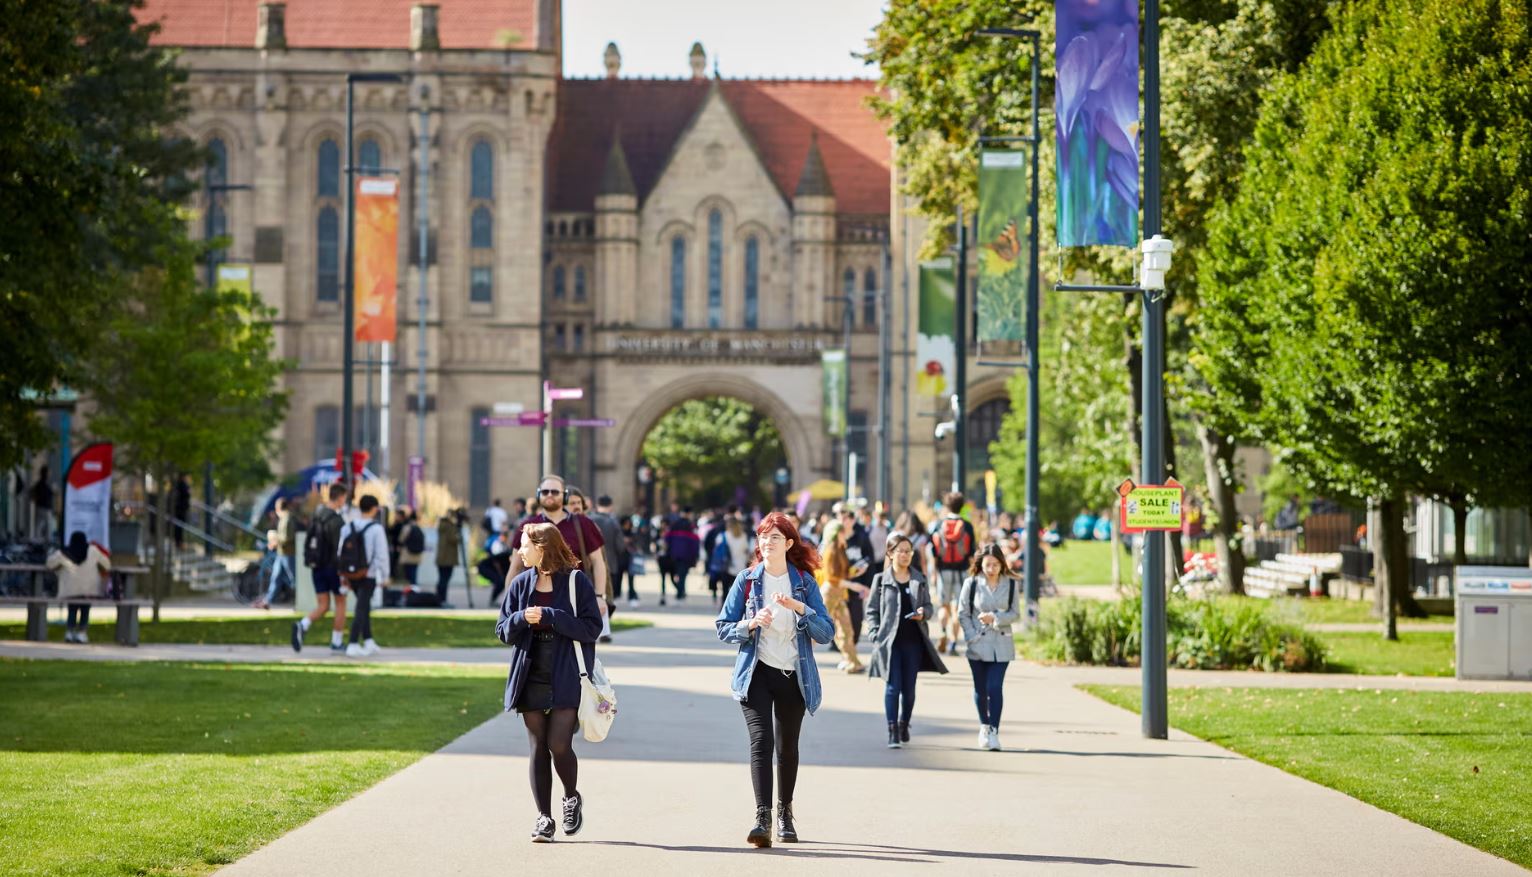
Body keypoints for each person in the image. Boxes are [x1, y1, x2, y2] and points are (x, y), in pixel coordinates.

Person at [715, 511, 835, 848]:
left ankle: (785, 813)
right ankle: (762, 817)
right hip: (756, 673)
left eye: (775, 537)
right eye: (763, 537)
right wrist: (751, 623)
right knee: (761, 744)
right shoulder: (748, 580)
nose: (767, 543)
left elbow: (826, 632)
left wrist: (801, 609)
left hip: (794, 675)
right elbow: (723, 626)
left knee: (787, 748)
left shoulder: (805, 583)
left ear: (789, 543)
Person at [495, 522, 602, 843]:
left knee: (559, 744)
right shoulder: (519, 584)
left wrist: (552, 616)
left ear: (542, 547)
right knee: (538, 747)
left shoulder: (576, 582)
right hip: (530, 673)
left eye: (525, 546)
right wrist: (520, 618)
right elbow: (502, 630)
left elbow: (591, 628)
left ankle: (570, 796)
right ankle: (544, 817)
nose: (520, 551)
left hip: (566, 671)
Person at [866, 532, 947, 748]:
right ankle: (892, 729)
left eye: (908, 551)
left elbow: (930, 606)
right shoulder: (881, 580)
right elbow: (872, 610)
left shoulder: (918, 579)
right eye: (900, 551)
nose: (904, 555)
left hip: (914, 642)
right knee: (893, 687)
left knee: (909, 690)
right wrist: (874, 633)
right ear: (890, 554)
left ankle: (904, 723)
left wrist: (924, 612)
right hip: (890, 643)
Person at [507, 476, 609, 626]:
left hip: (573, 598)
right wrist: (509, 600)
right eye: (545, 491)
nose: (549, 495)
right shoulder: (527, 526)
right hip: (534, 599)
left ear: (565, 495)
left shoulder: (583, 524)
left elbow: (598, 562)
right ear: (538, 495)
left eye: (555, 492)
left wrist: (599, 596)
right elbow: (515, 566)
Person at [958, 544, 1020, 752]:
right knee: (981, 688)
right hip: (978, 642)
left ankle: (994, 730)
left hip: (1002, 642)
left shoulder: (1010, 585)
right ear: (980, 565)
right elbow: (962, 613)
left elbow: (1015, 613)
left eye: (995, 564)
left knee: (995, 687)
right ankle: (984, 725)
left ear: (1002, 564)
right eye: (987, 565)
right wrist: (970, 636)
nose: (991, 569)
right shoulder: (972, 584)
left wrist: (996, 618)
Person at [293, 483, 350, 654]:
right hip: (333, 567)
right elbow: (339, 548)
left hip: (316, 566)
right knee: (340, 602)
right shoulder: (336, 521)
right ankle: (336, 641)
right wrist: (344, 571)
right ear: (340, 497)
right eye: (344, 498)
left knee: (323, 605)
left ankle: (303, 624)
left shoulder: (316, 515)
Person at [338, 494, 389, 657]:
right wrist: (385, 575)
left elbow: (340, 552)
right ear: (374, 509)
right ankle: (353, 643)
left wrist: (342, 574)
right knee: (362, 607)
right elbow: (382, 555)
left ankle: (368, 640)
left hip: (351, 574)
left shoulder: (348, 527)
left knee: (364, 606)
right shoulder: (376, 529)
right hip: (368, 573)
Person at [930, 492, 978, 655]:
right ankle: (953, 643)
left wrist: (934, 573)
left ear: (946, 506)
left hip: (944, 571)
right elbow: (972, 552)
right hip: (962, 570)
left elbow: (934, 552)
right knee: (958, 607)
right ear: (962, 506)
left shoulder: (938, 524)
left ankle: (943, 632)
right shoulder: (967, 526)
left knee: (944, 605)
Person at [46, 531, 109, 643]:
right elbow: (107, 565)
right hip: (89, 589)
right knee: (85, 609)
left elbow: (49, 564)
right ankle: (82, 632)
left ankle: (69, 632)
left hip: (70, 589)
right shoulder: (93, 550)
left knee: (72, 608)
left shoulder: (64, 552)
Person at [817, 523, 863, 673]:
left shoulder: (841, 550)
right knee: (817, 628)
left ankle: (852, 661)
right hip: (830, 593)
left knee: (846, 629)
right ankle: (797, 658)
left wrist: (854, 572)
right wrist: (851, 585)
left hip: (839, 593)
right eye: (843, 531)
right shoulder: (830, 550)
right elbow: (831, 577)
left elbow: (840, 574)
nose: (846, 534)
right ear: (837, 534)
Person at [588, 495, 625, 641]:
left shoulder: (589, 521)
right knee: (606, 598)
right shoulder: (613, 523)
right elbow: (620, 546)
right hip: (610, 565)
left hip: (590, 565)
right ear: (610, 505)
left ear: (597, 505)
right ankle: (604, 630)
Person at [254, 498, 296, 609]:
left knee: (293, 578)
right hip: (282, 553)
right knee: (276, 577)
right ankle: (268, 601)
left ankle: (299, 599)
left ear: (278, 508)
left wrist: (275, 540)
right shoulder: (284, 519)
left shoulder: (287, 519)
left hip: (288, 553)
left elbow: (288, 537)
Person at [663, 514, 701, 600]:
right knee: (683, 575)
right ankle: (681, 591)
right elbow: (695, 547)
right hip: (686, 557)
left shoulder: (672, 533)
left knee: (675, 575)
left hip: (674, 556)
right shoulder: (691, 535)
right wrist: (695, 557)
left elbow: (666, 542)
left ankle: (680, 591)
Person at [436, 508, 464, 606]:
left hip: (442, 558)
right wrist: (458, 529)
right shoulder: (449, 526)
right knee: (444, 580)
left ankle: (440, 599)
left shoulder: (442, 525)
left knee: (442, 579)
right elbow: (453, 539)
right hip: (447, 559)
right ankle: (442, 600)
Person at [398, 508, 425, 586]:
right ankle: (414, 588)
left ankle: (411, 590)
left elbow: (401, 539)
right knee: (414, 573)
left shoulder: (407, 527)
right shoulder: (419, 528)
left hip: (408, 554)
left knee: (409, 575)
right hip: (417, 555)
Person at [173, 473, 192, 548]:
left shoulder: (179, 485)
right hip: (180, 509)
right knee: (179, 526)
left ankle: (179, 542)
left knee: (180, 526)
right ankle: (179, 542)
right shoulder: (181, 485)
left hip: (181, 509)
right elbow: (186, 495)